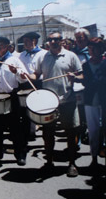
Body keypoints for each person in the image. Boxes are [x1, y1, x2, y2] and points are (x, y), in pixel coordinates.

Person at [26, 31, 83, 177]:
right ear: (48, 42)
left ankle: (72, 163)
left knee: (71, 133)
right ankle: (49, 162)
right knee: (48, 133)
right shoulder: (43, 56)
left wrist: (75, 76)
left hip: (67, 100)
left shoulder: (71, 56)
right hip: (48, 103)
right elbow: (36, 75)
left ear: (61, 41)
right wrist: (26, 75)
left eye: (56, 39)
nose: (53, 42)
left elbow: (81, 74)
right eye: (51, 40)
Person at [0, 37, 29, 167]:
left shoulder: (14, 60)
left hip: (11, 96)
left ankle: (20, 154)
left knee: (15, 128)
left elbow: (24, 79)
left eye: (1, 44)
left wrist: (17, 72)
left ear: (7, 46)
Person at [79, 38, 106, 171]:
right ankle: (94, 158)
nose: (92, 51)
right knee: (93, 130)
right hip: (90, 101)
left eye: (95, 48)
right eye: (90, 48)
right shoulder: (85, 65)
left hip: (104, 100)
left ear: (101, 49)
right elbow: (85, 82)